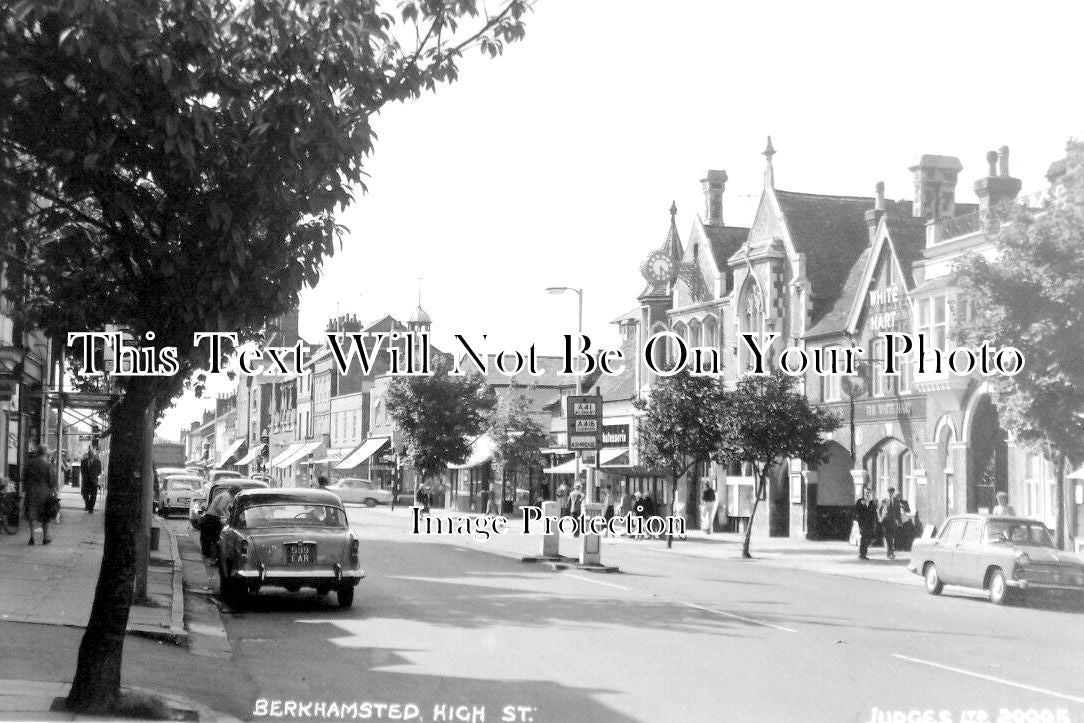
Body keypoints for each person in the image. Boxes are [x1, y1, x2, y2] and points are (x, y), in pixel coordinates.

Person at [24, 445, 58, 545]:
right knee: (45, 515)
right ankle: (45, 537)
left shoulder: (29, 464)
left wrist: (27, 488)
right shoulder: (48, 465)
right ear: (45, 453)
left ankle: (32, 537)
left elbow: (24, 477)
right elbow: (52, 480)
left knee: (32, 514)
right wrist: (53, 489)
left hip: (31, 492)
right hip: (44, 493)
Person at [201, 484, 241, 561]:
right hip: (213, 518)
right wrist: (225, 516)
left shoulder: (225, 495)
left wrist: (229, 515)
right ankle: (213, 557)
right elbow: (219, 508)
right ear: (235, 492)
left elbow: (224, 508)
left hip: (210, 517)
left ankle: (210, 556)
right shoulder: (227, 497)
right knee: (215, 538)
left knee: (210, 538)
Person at [878, 487, 902, 560]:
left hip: (893, 521)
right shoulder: (885, 500)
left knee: (892, 538)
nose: (890, 493)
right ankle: (890, 553)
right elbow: (880, 509)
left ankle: (890, 552)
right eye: (889, 492)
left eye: (891, 492)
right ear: (888, 492)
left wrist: (899, 521)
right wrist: (880, 517)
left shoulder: (896, 501)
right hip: (886, 521)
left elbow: (898, 512)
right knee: (888, 538)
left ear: (893, 492)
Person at [854, 487, 878, 560]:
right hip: (862, 523)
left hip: (870, 524)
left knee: (869, 538)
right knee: (864, 538)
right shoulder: (859, 501)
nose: (867, 494)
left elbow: (874, 513)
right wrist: (859, 523)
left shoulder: (872, 502)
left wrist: (874, 522)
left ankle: (864, 553)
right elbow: (856, 512)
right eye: (866, 493)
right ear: (863, 493)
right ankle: (862, 554)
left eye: (868, 493)